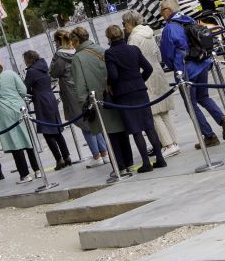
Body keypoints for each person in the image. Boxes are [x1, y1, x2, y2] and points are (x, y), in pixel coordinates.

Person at [161, 7, 225, 145]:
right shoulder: (189, 20)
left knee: (191, 104)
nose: (161, 15)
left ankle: (209, 136)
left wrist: (175, 69)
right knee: (204, 97)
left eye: (161, 10)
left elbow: (167, 54)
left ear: (167, 10)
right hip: (202, 63)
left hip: (186, 69)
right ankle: (223, 119)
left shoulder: (169, 28)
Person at [103, 24, 165, 173]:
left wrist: (111, 85)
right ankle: (160, 158)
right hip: (140, 90)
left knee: (136, 128)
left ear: (109, 38)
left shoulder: (110, 53)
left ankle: (146, 163)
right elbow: (148, 68)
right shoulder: (133, 49)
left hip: (124, 94)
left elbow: (114, 75)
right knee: (149, 125)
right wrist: (139, 80)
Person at [123, 10, 180, 158]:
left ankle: (167, 144)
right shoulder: (149, 33)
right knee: (164, 110)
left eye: (124, 23)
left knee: (152, 113)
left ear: (130, 23)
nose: (124, 27)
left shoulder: (134, 38)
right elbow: (158, 54)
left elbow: (133, 59)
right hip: (157, 71)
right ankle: (174, 142)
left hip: (145, 74)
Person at [0, 56, 40, 180]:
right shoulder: (11, 73)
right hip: (19, 109)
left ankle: (24, 174)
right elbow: (23, 90)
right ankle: (37, 169)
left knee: (15, 143)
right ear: (0, 63)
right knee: (28, 139)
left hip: (4, 114)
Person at [65, 26, 111, 166]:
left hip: (93, 99)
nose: (71, 44)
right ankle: (117, 158)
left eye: (72, 41)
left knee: (97, 128)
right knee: (113, 131)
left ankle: (111, 161)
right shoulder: (101, 49)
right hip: (109, 96)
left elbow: (79, 84)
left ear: (76, 40)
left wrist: (83, 104)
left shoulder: (77, 58)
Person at [23, 48, 71, 170]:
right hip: (50, 97)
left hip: (41, 101)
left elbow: (25, 89)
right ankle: (67, 156)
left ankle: (59, 159)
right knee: (57, 130)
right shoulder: (43, 67)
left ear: (28, 60)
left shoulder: (32, 71)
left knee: (47, 131)